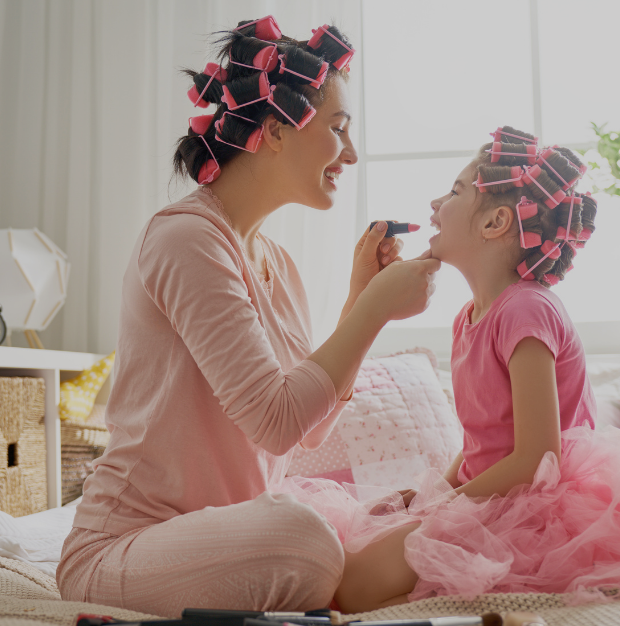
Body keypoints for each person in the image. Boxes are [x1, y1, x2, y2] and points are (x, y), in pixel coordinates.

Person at [280, 126, 620, 613]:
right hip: (492, 493)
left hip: (537, 501)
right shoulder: (468, 317)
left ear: (495, 221)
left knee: (353, 589)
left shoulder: (526, 308)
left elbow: (536, 456)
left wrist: (442, 510)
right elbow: (482, 447)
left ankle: (459, 595)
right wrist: (424, 496)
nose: (434, 203)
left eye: (454, 192)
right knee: (343, 563)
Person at [57, 16, 440, 618]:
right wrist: (372, 310)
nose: (352, 152)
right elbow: (276, 420)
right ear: (275, 132)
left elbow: (308, 429)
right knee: (306, 542)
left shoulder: (277, 264)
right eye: (337, 129)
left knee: (404, 531)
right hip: (122, 549)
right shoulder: (185, 240)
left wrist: (357, 301)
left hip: (224, 536)